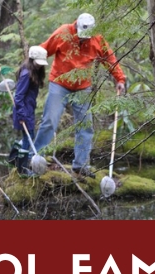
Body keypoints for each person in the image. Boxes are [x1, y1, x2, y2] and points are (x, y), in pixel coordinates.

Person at [32, 12, 127, 178]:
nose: (84, 39)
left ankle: (81, 166)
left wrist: (120, 78)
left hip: (83, 87)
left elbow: (109, 58)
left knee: (85, 126)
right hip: (59, 83)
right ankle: (38, 159)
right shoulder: (63, 33)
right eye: (81, 36)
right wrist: (30, 68)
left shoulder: (97, 38)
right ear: (76, 27)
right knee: (49, 120)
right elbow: (44, 50)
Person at [11, 46, 49, 178]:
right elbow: (18, 96)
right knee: (28, 136)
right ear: (32, 60)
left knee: (28, 136)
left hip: (29, 109)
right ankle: (22, 169)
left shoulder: (34, 72)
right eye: (38, 63)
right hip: (23, 111)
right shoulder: (26, 74)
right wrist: (22, 115)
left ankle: (14, 159)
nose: (39, 66)